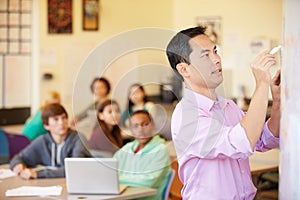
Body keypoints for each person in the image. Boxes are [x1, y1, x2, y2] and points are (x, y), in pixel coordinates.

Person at [166, 26, 280, 199]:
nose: (217, 59)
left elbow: (263, 139)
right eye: (205, 55)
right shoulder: (187, 116)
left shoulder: (228, 106)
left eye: (215, 51)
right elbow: (243, 141)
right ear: (184, 69)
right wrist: (261, 84)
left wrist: (277, 102)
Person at [10, 103, 90, 179]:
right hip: (51, 186)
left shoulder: (79, 139)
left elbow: (74, 169)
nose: (61, 123)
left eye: (64, 118)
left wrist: (38, 174)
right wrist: (18, 165)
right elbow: (19, 157)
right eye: (56, 119)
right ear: (46, 126)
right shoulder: (42, 141)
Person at [114, 110, 171, 200]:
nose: (140, 129)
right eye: (135, 126)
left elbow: (149, 181)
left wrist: (117, 179)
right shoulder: (127, 149)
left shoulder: (161, 150)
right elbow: (109, 173)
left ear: (153, 126)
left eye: (145, 124)